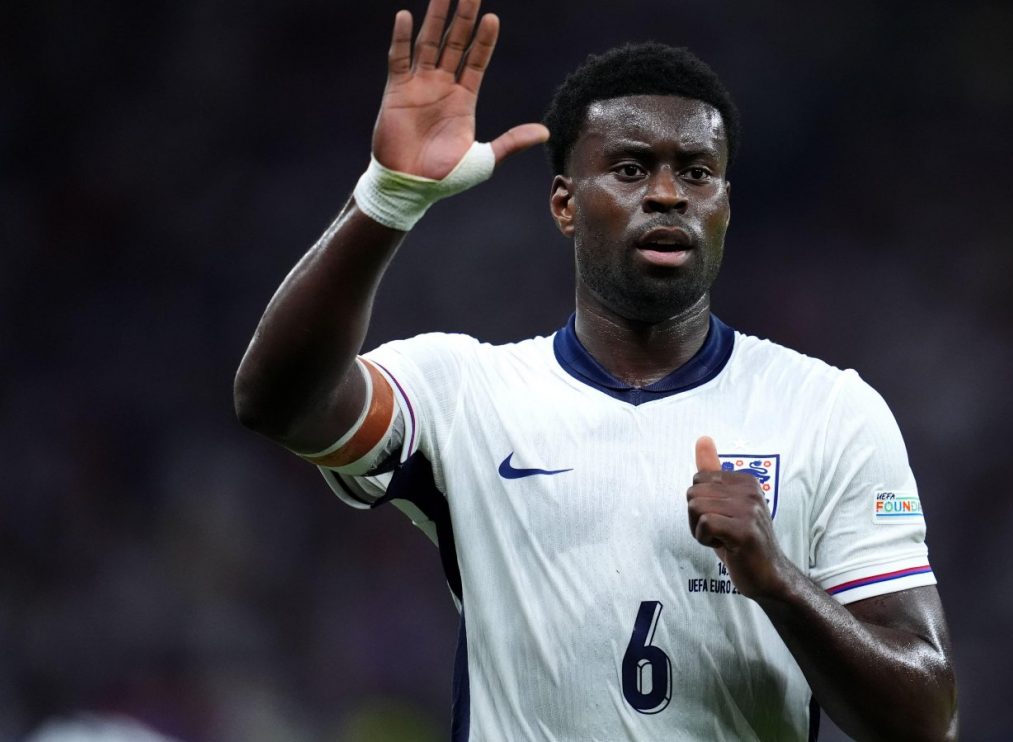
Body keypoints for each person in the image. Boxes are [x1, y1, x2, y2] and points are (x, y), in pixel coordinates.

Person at [233, 0, 957, 738]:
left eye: (697, 173)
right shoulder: (466, 394)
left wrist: (781, 583)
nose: (668, 194)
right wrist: (389, 198)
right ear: (565, 204)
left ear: (725, 206)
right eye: (631, 169)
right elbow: (276, 401)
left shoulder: (831, 412)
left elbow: (927, 718)